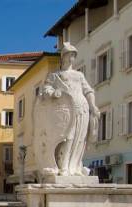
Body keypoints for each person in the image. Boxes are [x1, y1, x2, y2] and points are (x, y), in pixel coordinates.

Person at [39, 42, 99, 176]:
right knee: (67, 137)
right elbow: (46, 89)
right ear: (64, 56)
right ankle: (64, 167)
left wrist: (93, 105)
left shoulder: (79, 75)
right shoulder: (55, 75)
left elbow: (88, 91)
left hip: (82, 108)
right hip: (65, 110)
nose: (72, 57)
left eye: (74, 55)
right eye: (70, 54)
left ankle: (76, 167)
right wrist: (54, 93)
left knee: (80, 138)